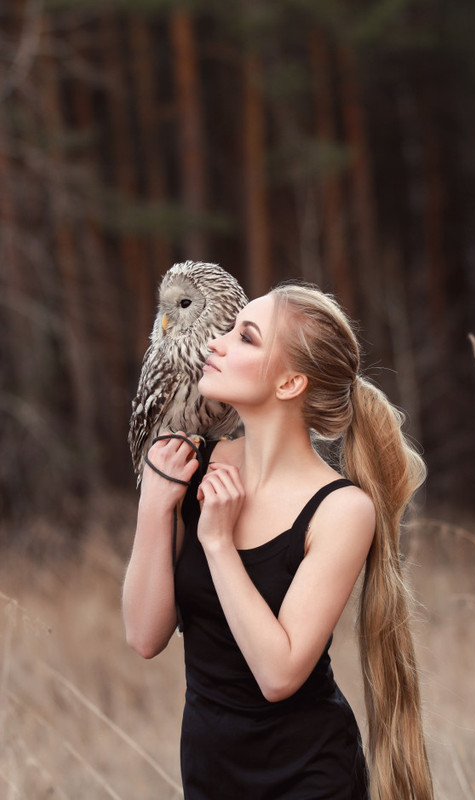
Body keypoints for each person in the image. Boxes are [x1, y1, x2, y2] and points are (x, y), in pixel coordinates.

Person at [122, 282, 434, 800]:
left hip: (308, 777)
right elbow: (144, 636)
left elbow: (279, 674)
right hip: (208, 774)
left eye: (244, 337)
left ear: (289, 382)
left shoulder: (341, 509)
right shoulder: (191, 466)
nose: (215, 343)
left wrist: (219, 544)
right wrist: (156, 503)